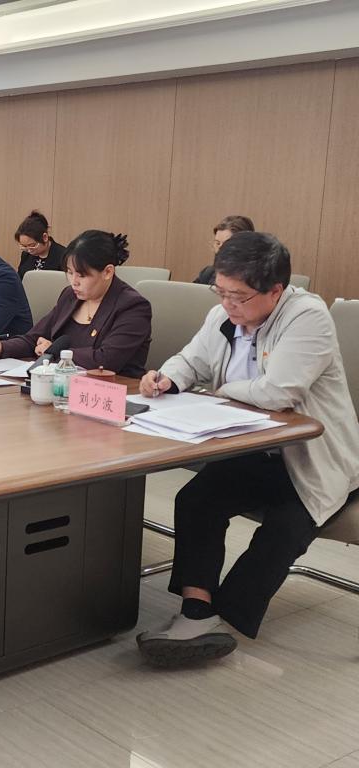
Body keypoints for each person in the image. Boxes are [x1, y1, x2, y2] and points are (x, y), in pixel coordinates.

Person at [136, 231, 359, 666]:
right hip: (259, 452)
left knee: (284, 529)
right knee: (197, 500)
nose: (227, 304)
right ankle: (197, 611)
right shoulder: (223, 315)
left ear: (275, 290)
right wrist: (167, 378)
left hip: (317, 458)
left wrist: (217, 391)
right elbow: (191, 359)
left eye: (238, 296)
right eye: (221, 292)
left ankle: (224, 620)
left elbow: (279, 392)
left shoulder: (307, 317)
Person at [0, 231, 152, 377]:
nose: (74, 281)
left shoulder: (133, 307)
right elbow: (34, 338)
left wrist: (55, 352)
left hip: (114, 392)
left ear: (107, 272)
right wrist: (1, 347)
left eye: (82, 275)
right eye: (69, 272)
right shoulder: (70, 296)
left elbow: (106, 360)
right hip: (63, 387)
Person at [193, 214, 254, 285]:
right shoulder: (208, 274)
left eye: (226, 244)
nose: (220, 250)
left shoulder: (256, 281)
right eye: (218, 243)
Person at [15, 210, 67, 279]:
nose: (29, 250)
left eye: (32, 245)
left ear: (45, 237)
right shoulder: (26, 255)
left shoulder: (63, 256)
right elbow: (20, 279)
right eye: (24, 246)